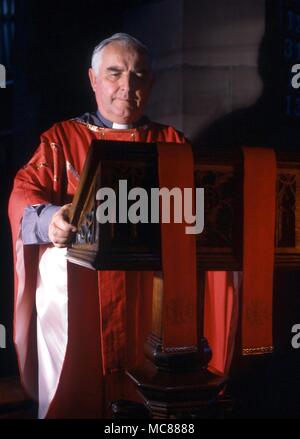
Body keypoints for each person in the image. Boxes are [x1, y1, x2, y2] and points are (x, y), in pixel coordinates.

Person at [8, 33, 192, 419]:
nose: (128, 86)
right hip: (80, 300)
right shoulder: (62, 139)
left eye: (139, 76)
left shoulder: (172, 143)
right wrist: (50, 219)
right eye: (115, 74)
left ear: (151, 83)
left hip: (148, 300)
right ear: (93, 79)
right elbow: (23, 196)